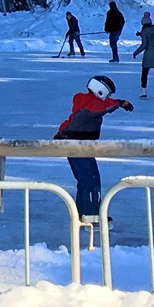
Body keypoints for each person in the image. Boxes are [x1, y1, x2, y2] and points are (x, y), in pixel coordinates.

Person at [55, 75, 134, 223]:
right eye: (108, 94)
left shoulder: (86, 100)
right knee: (91, 181)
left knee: (86, 181)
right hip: (78, 146)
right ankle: (91, 214)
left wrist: (61, 133)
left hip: (80, 145)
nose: (108, 97)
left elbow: (71, 120)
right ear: (101, 90)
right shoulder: (88, 102)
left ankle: (82, 212)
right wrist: (119, 103)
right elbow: (98, 108)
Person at [133, 10, 154, 98]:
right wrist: (141, 34)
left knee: (144, 73)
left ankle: (144, 92)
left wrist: (136, 52)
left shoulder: (144, 31)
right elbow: (150, 36)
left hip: (149, 55)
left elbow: (144, 44)